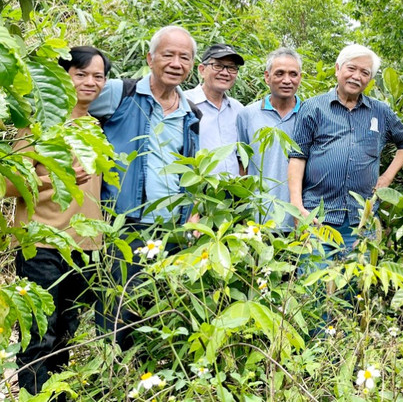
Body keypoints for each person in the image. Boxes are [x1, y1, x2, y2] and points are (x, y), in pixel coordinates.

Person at [4, 47, 110, 394]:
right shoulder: (38, 124)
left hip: (85, 248)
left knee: (66, 336)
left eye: (98, 76)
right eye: (81, 74)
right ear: (63, 78)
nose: (90, 82)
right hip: (42, 245)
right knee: (39, 336)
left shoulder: (94, 126)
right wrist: (58, 177)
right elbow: (9, 183)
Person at [89, 25, 201, 348]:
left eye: (184, 57)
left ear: (192, 65)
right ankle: (112, 371)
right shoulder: (119, 93)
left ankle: (140, 376)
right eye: (168, 55)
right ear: (150, 58)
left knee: (156, 316)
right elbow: (71, 104)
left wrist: (192, 213)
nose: (176, 63)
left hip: (171, 232)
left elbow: (189, 170)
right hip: (125, 226)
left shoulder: (191, 114)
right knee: (117, 314)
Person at [288, 44, 403, 253]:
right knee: (314, 273)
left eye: (365, 73)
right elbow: (297, 156)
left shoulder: (380, 111)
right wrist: (296, 205)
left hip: (362, 220)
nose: (357, 76)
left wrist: (387, 177)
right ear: (338, 69)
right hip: (317, 218)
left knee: (358, 275)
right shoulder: (313, 107)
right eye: (351, 68)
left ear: (370, 79)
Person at [235, 48, 303, 233]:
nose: (287, 80)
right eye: (279, 73)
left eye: (293, 74)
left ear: (300, 78)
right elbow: (242, 166)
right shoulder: (247, 115)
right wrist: (242, 213)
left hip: (298, 219)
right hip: (257, 218)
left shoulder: (309, 115)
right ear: (267, 77)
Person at [185, 43, 245, 176]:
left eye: (231, 68)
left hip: (233, 187)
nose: (225, 73)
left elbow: (242, 157)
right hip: (196, 186)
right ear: (202, 70)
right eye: (218, 66)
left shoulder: (238, 109)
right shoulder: (184, 103)